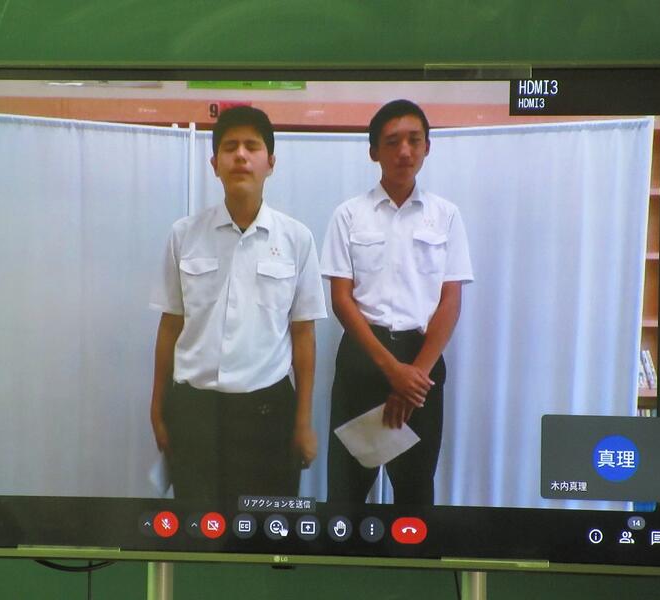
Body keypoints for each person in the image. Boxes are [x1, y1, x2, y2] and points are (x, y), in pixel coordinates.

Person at [149, 106, 327, 505]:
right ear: (214, 164)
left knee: (264, 529)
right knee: (198, 526)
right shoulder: (184, 235)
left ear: (270, 162)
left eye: (252, 146)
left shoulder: (297, 239)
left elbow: (303, 334)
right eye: (230, 148)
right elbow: (170, 325)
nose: (241, 156)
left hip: (268, 412)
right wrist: (157, 407)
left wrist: (303, 421)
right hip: (194, 410)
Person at [321, 99, 474, 505]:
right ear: (374, 152)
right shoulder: (349, 215)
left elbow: (451, 300)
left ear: (427, 147)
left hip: (422, 362)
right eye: (392, 142)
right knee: (346, 493)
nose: (404, 151)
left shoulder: (446, 216)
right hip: (363, 358)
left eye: (414, 140)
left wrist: (413, 379)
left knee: (415, 492)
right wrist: (392, 371)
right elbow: (341, 299)